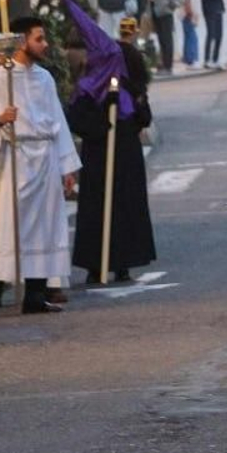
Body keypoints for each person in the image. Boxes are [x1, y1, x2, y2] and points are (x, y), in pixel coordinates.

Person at [0, 16, 80, 318]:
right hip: (16, 158)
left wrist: (67, 167)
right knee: (6, 228)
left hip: (45, 157)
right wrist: (0, 119)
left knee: (46, 228)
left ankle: (35, 295)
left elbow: (58, 122)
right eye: (39, 38)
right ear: (21, 42)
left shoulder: (45, 78)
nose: (45, 44)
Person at [68, 36, 155, 285]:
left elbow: (144, 118)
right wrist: (104, 116)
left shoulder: (131, 88)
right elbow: (78, 119)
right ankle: (95, 265)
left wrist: (131, 106)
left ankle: (123, 262)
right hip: (99, 155)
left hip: (126, 155)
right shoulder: (89, 87)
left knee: (126, 208)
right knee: (96, 208)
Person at [179, 0, 201, 69]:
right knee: (192, 37)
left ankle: (188, 59)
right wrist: (191, 14)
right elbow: (187, 2)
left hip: (189, 14)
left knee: (189, 36)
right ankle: (192, 59)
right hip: (188, 15)